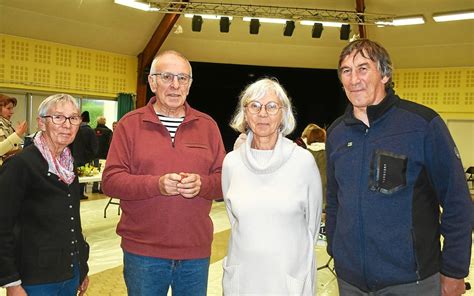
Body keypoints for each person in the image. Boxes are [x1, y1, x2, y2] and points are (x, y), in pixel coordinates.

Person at [325, 39, 472, 296]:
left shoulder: (423, 125)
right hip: (350, 282)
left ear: (385, 74)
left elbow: (457, 201)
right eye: (346, 71)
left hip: (411, 282)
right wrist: (336, 250)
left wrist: (454, 270)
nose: (353, 78)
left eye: (362, 68)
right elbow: (335, 200)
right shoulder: (337, 133)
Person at [101, 50, 226, 296]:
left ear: (190, 85)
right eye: (167, 77)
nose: (175, 85)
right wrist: (156, 185)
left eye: (182, 78)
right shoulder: (130, 124)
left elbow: (225, 182)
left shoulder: (208, 126)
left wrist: (203, 184)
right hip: (143, 253)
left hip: (195, 253)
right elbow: (111, 181)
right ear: (152, 82)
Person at [222, 78, 323, 295]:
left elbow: (311, 227)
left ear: (284, 114)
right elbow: (235, 220)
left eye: (271, 106)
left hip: (288, 279)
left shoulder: (303, 162)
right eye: (255, 106)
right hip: (243, 280)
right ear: (245, 114)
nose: (263, 113)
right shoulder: (231, 162)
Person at [0, 94, 89, 295]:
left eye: (73, 118)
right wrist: (11, 281)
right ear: (41, 122)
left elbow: (73, 221)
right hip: (35, 279)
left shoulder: (69, 166)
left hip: (69, 272)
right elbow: (2, 226)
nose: (67, 124)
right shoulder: (20, 165)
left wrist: (82, 267)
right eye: (58, 117)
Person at [71, 110, 98, 199]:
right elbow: (94, 146)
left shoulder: (74, 130)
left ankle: (73, 193)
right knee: (82, 176)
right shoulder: (90, 131)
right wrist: (91, 156)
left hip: (73, 156)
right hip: (84, 158)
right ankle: (80, 193)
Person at [0, 94, 27, 165]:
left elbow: (13, 148)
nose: (12, 112)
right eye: (8, 108)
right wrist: (17, 134)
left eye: (12, 108)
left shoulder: (8, 126)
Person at [92, 115, 112, 193]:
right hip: (105, 155)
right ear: (105, 122)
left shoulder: (93, 130)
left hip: (95, 155)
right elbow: (111, 143)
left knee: (95, 170)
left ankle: (94, 187)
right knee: (103, 171)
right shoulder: (109, 131)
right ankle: (102, 189)